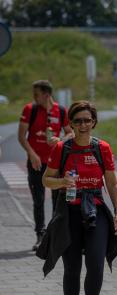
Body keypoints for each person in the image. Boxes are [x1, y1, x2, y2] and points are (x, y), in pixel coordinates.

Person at [42, 100, 117, 295]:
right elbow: (46, 179)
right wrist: (62, 182)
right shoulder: (62, 149)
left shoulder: (102, 149)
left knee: (97, 264)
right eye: (78, 121)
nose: (83, 125)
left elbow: (112, 184)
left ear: (94, 122)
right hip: (69, 212)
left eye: (87, 120)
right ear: (70, 124)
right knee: (72, 267)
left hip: (95, 211)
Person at [18, 80, 73, 251]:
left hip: (56, 165)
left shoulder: (61, 110)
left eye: (37, 94)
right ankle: (40, 235)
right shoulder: (30, 109)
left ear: (46, 94)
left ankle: (55, 235)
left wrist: (61, 140)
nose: (34, 98)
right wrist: (32, 154)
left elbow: (70, 132)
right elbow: (21, 136)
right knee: (38, 200)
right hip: (36, 163)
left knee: (58, 201)